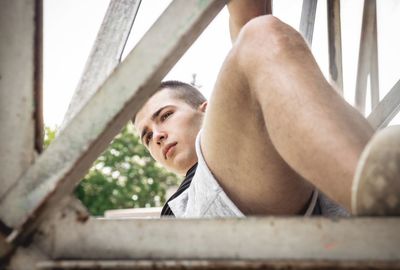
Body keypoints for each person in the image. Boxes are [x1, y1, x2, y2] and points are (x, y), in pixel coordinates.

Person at [134, 1, 399, 217]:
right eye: (146, 137)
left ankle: (379, 190)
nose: (156, 136)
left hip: (315, 205)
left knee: (261, 35)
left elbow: (252, 23)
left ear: (206, 109)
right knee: (259, 36)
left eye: (166, 115)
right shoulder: (185, 202)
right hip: (203, 223)